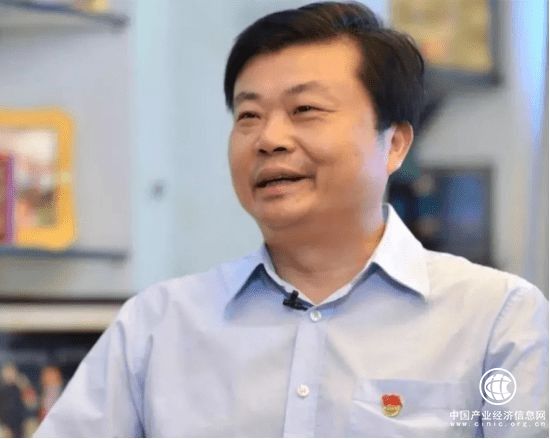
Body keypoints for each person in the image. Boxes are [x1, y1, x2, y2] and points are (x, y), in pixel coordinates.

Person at [35, 1, 548, 437]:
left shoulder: (495, 318)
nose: (269, 139)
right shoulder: (157, 325)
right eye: (249, 116)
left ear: (393, 143)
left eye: (305, 110)